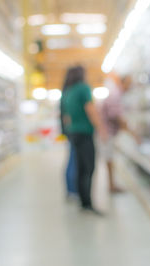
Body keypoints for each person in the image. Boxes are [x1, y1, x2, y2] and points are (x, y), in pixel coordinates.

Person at [61, 66, 108, 215]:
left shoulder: (68, 91)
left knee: (80, 168)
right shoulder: (83, 88)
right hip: (85, 133)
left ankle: (82, 201)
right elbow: (91, 109)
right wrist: (101, 128)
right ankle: (88, 203)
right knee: (89, 168)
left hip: (73, 133)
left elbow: (66, 116)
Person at [101, 72, 139, 193]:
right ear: (123, 83)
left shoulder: (117, 95)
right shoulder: (115, 94)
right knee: (109, 158)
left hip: (109, 132)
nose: (130, 86)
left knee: (110, 157)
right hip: (107, 132)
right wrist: (132, 133)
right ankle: (111, 185)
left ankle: (112, 184)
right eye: (129, 83)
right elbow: (115, 116)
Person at [60, 69, 77, 197]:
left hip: (69, 131)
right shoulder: (70, 93)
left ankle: (70, 189)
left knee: (71, 158)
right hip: (73, 131)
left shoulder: (65, 92)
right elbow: (67, 116)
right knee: (73, 159)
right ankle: (72, 189)